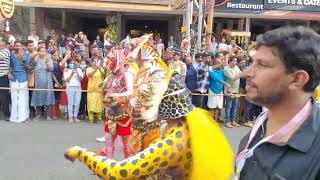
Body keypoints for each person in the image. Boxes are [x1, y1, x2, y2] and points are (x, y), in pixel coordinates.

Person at [64, 34, 234, 180]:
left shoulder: (172, 142)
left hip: (150, 136)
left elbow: (118, 173)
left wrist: (80, 153)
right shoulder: (179, 124)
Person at [236, 27, 320, 180]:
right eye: (252, 62)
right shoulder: (260, 126)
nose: (246, 73)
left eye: (262, 65)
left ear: (297, 79)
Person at [102, 48, 133, 158]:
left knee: (124, 144)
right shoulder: (109, 78)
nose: (110, 64)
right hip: (110, 114)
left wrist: (115, 96)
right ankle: (108, 165)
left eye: (112, 61)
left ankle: (129, 166)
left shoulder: (127, 75)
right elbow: (105, 92)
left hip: (123, 114)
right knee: (108, 141)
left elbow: (130, 92)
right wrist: (106, 97)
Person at [9, 43, 34, 123]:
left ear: (22, 47)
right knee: (14, 97)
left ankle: (23, 116)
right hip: (13, 78)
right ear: (14, 47)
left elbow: (29, 68)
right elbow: (10, 66)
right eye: (16, 46)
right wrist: (9, 73)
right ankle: (14, 117)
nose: (18, 47)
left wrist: (23, 59)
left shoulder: (27, 55)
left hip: (23, 77)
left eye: (19, 46)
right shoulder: (11, 55)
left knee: (23, 98)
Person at [31, 47, 55, 121]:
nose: (42, 52)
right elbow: (31, 64)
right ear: (38, 52)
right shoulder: (36, 59)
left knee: (48, 97)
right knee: (38, 96)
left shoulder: (49, 59)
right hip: (38, 82)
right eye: (41, 51)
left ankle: (48, 115)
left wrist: (46, 62)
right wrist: (35, 55)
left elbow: (50, 69)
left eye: (44, 51)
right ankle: (38, 114)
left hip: (47, 82)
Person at [64, 58, 84, 123]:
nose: (72, 64)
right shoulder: (66, 70)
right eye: (71, 63)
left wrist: (77, 73)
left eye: (73, 63)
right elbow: (67, 80)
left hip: (78, 87)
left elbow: (81, 79)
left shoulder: (79, 70)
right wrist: (72, 74)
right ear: (68, 64)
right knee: (70, 103)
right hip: (70, 87)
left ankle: (75, 116)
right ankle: (70, 117)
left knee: (77, 103)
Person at [86, 58, 105, 123]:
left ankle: (99, 118)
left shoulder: (100, 68)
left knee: (99, 103)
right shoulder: (88, 69)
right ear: (91, 62)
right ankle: (91, 118)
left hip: (99, 89)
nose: (95, 62)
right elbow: (89, 75)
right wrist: (95, 69)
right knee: (91, 103)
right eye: (94, 61)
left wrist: (99, 68)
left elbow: (103, 74)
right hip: (91, 89)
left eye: (97, 61)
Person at [0, 36, 10, 120]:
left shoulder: (6, 50)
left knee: (4, 96)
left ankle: (6, 114)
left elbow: (1, 57)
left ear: (3, 42)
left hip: (3, 76)